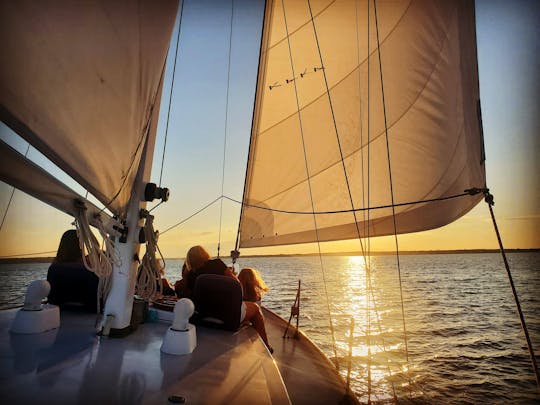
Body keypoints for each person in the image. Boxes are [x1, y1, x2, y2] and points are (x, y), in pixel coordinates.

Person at [184, 245, 273, 352]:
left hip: (204, 316)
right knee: (255, 310)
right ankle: (266, 347)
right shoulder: (217, 264)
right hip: (229, 317)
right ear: (204, 254)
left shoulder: (190, 276)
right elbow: (236, 284)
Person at [46, 229, 99, 312]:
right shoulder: (89, 270)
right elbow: (94, 301)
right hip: (86, 313)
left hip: (59, 313)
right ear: (80, 246)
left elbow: (52, 298)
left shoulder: (53, 268)